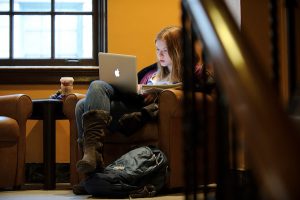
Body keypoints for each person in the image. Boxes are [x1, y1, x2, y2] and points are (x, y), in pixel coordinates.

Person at [73, 26, 215, 194]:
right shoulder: (151, 72)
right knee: (89, 94)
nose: (160, 55)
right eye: (157, 50)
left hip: (141, 114)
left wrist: (159, 94)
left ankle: (92, 168)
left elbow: (209, 86)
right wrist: (138, 89)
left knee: (83, 105)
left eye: (165, 50)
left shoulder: (194, 71)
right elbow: (132, 89)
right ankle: (92, 165)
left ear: (179, 51)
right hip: (130, 104)